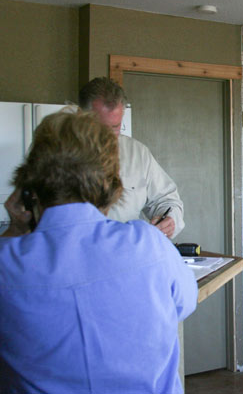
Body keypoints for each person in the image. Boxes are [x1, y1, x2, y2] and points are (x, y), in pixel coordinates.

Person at [0, 111, 197, 393]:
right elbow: (185, 304)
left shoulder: (6, 264)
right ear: (112, 183)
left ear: (30, 187)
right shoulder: (151, 245)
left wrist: (16, 231)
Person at [79, 77, 184, 238]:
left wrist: (170, 220)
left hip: (127, 254)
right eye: (101, 127)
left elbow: (166, 200)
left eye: (115, 127)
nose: (108, 136)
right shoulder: (58, 155)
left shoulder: (137, 153)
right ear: (81, 116)